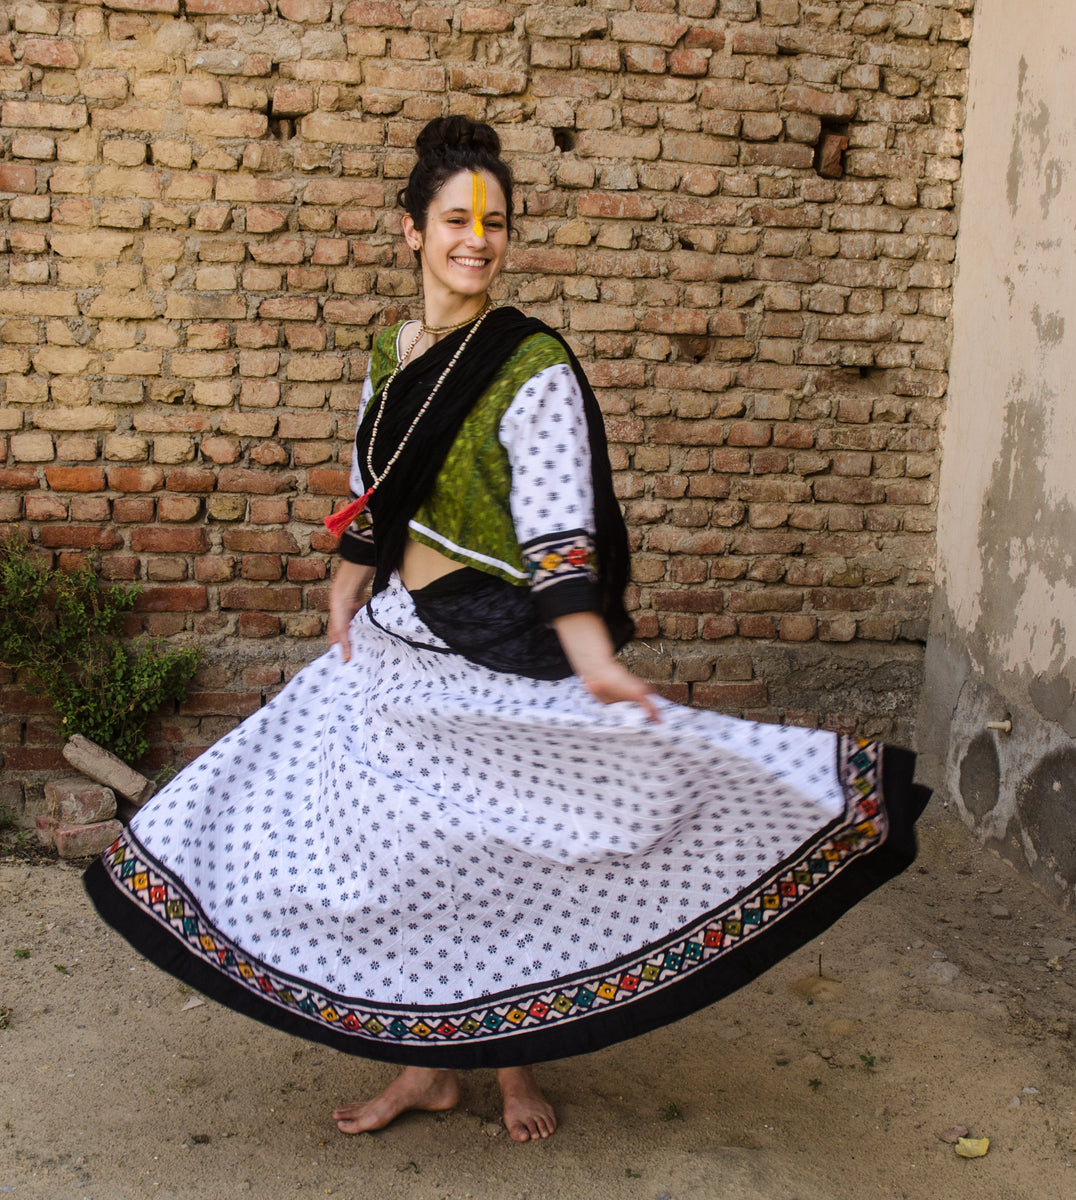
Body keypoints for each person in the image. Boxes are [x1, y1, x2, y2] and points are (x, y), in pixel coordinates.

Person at [85, 117, 927, 1145]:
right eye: (455, 219)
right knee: (390, 860)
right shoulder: (390, 351)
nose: (476, 238)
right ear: (411, 232)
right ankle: (426, 1070)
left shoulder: (532, 367)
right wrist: (347, 586)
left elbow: (560, 530)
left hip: (505, 650)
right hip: (401, 641)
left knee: (510, 858)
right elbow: (374, 489)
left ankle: (508, 1063)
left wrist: (589, 658)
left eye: (494, 221)